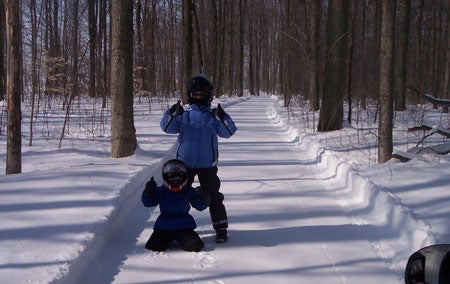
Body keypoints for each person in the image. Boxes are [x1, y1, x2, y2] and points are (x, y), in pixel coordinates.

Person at [160, 74, 237, 243]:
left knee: (214, 196)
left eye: (202, 94)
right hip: (184, 164)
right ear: (190, 95)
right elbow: (166, 127)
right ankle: (173, 228)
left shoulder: (213, 116)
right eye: (195, 94)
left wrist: (223, 117)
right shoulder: (184, 116)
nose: (198, 97)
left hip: (207, 165)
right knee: (177, 196)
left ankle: (221, 228)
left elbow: (229, 132)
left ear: (208, 95)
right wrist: (172, 113)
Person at [142, 159, 211, 252]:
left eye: (178, 179)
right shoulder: (161, 191)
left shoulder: (188, 191)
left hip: (184, 226)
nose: (175, 182)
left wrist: (204, 198)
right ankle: (168, 239)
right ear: (165, 178)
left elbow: (199, 206)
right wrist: (148, 192)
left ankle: (182, 238)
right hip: (164, 226)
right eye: (172, 179)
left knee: (195, 246)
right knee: (154, 246)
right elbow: (148, 202)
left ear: (184, 178)